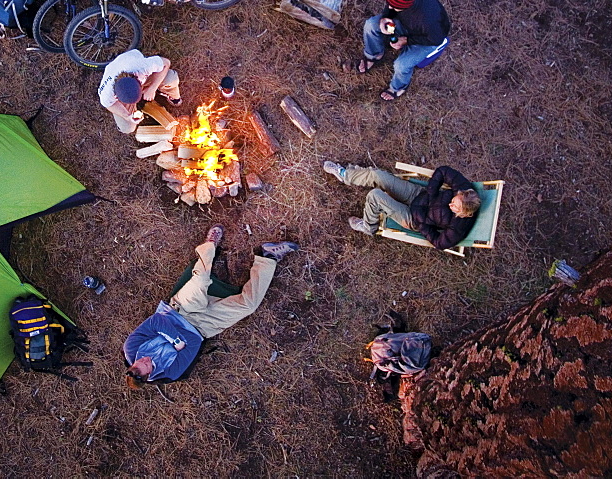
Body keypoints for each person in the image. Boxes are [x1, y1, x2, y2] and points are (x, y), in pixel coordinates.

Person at [123, 225, 299, 386]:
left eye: (141, 360)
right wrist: (175, 335)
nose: (146, 359)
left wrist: (177, 341)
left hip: (180, 309)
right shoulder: (170, 372)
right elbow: (194, 343)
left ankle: (209, 247)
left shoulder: (131, 348)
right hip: (203, 327)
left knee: (200, 280)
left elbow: (156, 321)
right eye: (147, 364)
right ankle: (267, 257)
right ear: (149, 375)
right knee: (249, 305)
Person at [323, 162, 481, 250]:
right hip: (418, 194)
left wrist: (423, 225)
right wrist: (432, 192)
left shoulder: (460, 226)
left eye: (455, 207)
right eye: (454, 199)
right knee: (379, 175)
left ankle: (368, 226)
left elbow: (440, 243)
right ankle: (345, 175)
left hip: (412, 218)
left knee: (375, 196)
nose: (450, 203)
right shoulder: (465, 190)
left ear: (463, 214)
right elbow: (443, 171)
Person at [354, 0, 450, 101]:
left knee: (401, 65)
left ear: (407, 7)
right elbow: (391, 5)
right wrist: (386, 17)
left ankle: (398, 87)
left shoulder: (428, 20)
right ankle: (373, 55)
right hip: (406, 24)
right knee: (370, 25)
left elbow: (436, 40)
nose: (389, 7)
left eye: (394, 7)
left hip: (426, 39)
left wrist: (406, 40)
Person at [98, 49, 182, 133]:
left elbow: (166, 63)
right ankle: (128, 114)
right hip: (116, 74)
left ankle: (172, 96)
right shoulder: (107, 93)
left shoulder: (141, 67)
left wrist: (152, 88)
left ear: (137, 79)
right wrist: (127, 116)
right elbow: (109, 105)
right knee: (127, 128)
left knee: (171, 78)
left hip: (131, 62)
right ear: (116, 95)